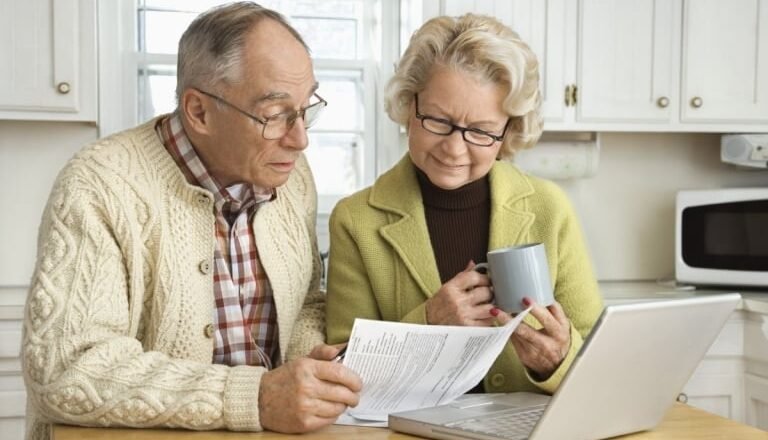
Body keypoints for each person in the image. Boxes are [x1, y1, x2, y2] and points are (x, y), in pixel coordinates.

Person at [21, 3, 361, 439]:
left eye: (305, 107)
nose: (300, 139)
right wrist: (256, 397)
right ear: (199, 111)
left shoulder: (291, 178)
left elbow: (305, 303)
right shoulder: (98, 183)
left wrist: (306, 369)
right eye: (275, 115)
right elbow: (67, 370)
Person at [326, 14, 603, 395]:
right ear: (409, 104)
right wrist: (428, 323)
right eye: (438, 120)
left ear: (508, 131)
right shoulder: (355, 220)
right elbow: (341, 369)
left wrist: (557, 361)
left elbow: (598, 361)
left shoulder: (548, 208)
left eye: (480, 131)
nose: (454, 149)